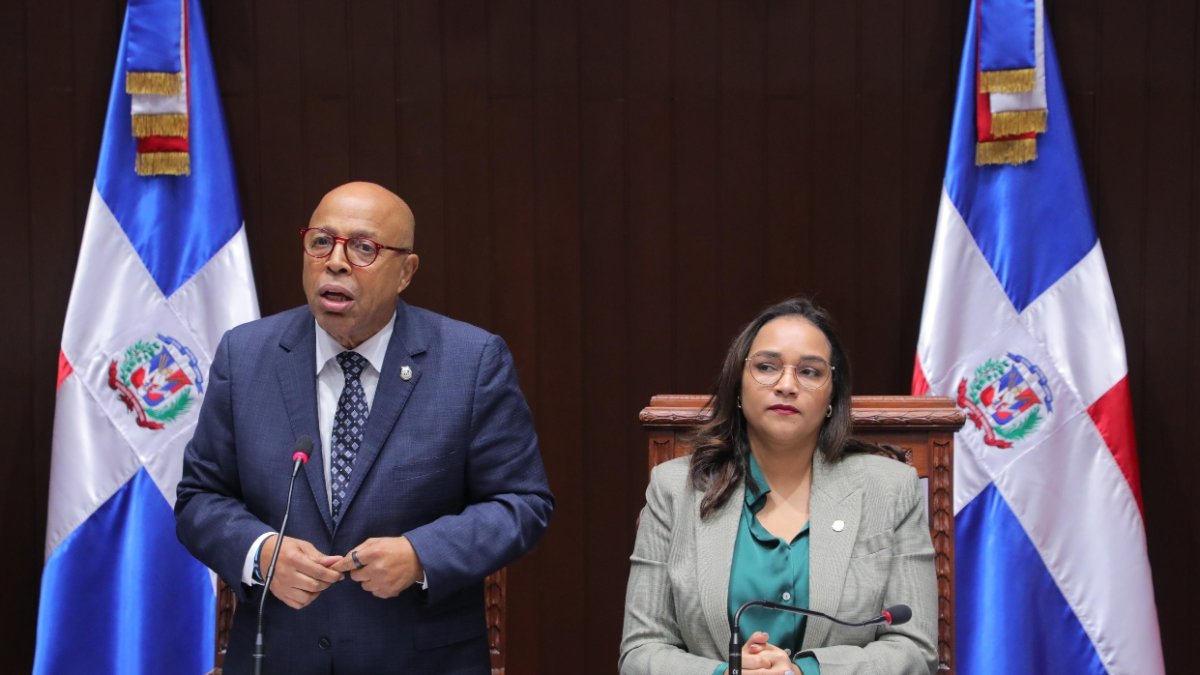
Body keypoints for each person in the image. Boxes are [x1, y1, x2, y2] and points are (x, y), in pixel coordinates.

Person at [176, 181, 554, 674]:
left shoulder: (471, 362)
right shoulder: (245, 356)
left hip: (421, 660)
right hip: (279, 656)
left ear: (406, 272)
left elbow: (523, 503)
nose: (335, 262)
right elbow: (199, 498)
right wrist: (261, 552)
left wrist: (421, 555)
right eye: (321, 242)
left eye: (363, 248)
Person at [620, 297, 937, 675]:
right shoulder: (675, 490)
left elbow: (915, 649)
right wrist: (726, 674)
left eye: (810, 372)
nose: (787, 385)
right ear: (738, 386)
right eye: (767, 367)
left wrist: (805, 673)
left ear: (833, 395)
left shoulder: (890, 489)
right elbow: (640, 651)